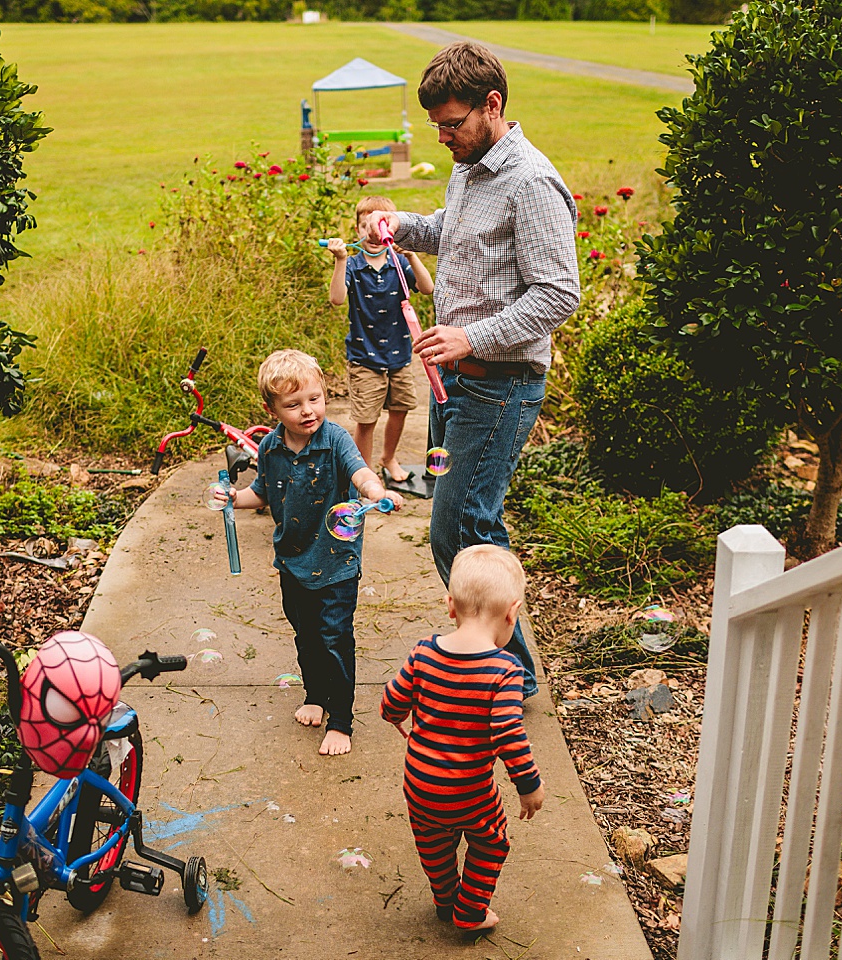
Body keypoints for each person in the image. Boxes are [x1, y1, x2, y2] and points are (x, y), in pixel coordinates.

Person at [371, 42, 580, 699]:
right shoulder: (470, 162)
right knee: (467, 523)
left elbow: (559, 295)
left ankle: (507, 676)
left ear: (493, 104)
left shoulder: (531, 182)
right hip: (455, 380)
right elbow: (453, 231)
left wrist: (470, 336)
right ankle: (493, 659)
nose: (443, 137)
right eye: (436, 124)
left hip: (500, 383)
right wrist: (398, 226)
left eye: (452, 123)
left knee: (460, 528)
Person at [214, 349, 404, 756]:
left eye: (314, 399)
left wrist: (376, 491)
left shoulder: (334, 439)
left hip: (336, 564)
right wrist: (231, 497)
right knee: (307, 636)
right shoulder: (269, 447)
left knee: (335, 638)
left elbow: (361, 471)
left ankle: (341, 720)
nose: (307, 411)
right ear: (272, 409)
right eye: (293, 404)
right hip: (293, 562)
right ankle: (315, 695)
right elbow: (260, 494)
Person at [380, 544, 545, 933]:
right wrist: (529, 786)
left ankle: (445, 899)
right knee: (491, 842)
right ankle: (469, 911)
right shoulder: (506, 671)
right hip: (468, 788)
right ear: (512, 613)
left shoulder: (423, 652)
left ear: (451, 605)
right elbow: (508, 735)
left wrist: (395, 717)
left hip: (419, 784)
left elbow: (392, 700)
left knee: (433, 843)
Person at [326, 196, 435, 483]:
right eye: (366, 227)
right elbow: (336, 299)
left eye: (382, 226)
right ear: (358, 229)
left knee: (400, 409)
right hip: (364, 357)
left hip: (399, 355)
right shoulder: (352, 265)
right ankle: (364, 471)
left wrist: (412, 254)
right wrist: (340, 261)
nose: (373, 234)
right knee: (367, 418)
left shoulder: (399, 262)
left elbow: (427, 287)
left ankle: (388, 458)